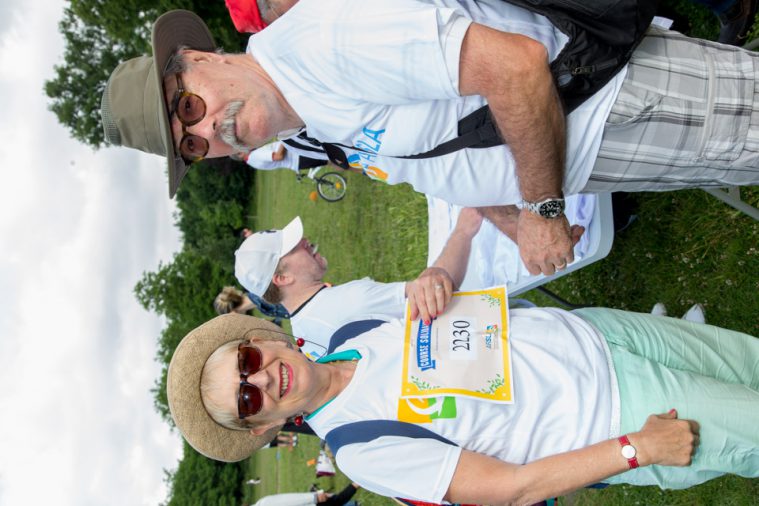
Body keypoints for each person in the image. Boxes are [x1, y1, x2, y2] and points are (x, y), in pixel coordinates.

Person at [100, 2, 759, 279]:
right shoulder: (303, 102)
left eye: (187, 106)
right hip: (601, 138)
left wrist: (545, 212)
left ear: (198, 58)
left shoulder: (320, 49)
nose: (207, 128)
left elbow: (515, 67)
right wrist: (507, 217)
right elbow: (433, 154)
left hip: (619, 105)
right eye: (191, 145)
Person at [167, 311, 759, 504]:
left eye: (247, 361)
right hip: (623, 411)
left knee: (750, 362)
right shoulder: (362, 449)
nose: (263, 380)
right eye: (248, 398)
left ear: (262, 338)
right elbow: (514, 489)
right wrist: (637, 448)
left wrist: (442, 267)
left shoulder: (355, 330)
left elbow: (457, 306)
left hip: (597, 331)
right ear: (264, 425)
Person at [234, 213, 482, 360]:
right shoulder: (348, 301)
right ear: (282, 278)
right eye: (294, 245)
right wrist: (464, 229)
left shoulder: (302, 333)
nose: (304, 241)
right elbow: (434, 294)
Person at [251, 482, 360, 506]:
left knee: (337, 501)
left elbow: (289, 500)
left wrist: (314, 497)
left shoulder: (264, 504)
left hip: (314, 503)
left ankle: (359, 481)